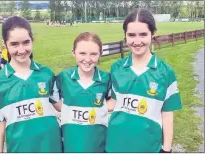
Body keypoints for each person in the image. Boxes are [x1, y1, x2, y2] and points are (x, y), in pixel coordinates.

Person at [105, 8, 182, 153]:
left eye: (143, 34)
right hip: (116, 145)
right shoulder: (116, 68)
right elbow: (114, 102)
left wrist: (167, 149)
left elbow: (167, 114)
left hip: (149, 147)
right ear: (125, 36)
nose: (137, 41)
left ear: (153, 34)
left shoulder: (166, 72)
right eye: (131, 35)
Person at [0, 16, 62, 153]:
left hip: (52, 147)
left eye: (26, 42)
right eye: (14, 44)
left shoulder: (46, 74)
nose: (21, 50)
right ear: (5, 44)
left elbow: (61, 106)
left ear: (32, 40)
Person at [55, 32, 111, 152]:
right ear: (73, 52)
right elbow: (53, 99)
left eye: (94, 54)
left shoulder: (106, 78)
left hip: (97, 146)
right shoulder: (63, 77)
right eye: (82, 53)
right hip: (71, 146)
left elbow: (113, 101)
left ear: (100, 54)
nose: (87, 59)